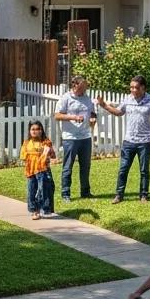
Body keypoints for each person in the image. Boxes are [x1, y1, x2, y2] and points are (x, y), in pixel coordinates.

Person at [98, 76, 150, 203]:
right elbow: (119, 112)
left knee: (144, 170)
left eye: (136, 87)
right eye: (131, 87)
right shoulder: (127, 99)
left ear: (143, 88)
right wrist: (104, 105)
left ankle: (144, 195)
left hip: (145, 141)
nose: (133, 90)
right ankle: (119, 195)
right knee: (123, 169)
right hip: (129, 141)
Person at [55, 75, 97, 203]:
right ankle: (65, 194)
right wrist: (73, 117)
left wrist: (93, 118)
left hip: (85, 136)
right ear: (75, 85)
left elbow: (92, 112)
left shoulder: (87, 98)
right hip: (70, 137)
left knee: (86, 166)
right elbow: (57, 115)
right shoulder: (66, 98)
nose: (85, 88)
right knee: (68, 166)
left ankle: (85, 192)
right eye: (83, 86)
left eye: (86, 86)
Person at [21, 120, 57, 219]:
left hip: (43, 169)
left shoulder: (46, 142)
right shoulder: (27, 143)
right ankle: (34, 210)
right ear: (29, 131)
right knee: (31, 190)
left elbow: (53, 155)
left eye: (37, 129)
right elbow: (23, 156)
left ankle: (45, 209)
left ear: (41, 131)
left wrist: (48, 152)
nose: (35, 131)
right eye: (32, 129)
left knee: (44, 189)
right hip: (31, 169)